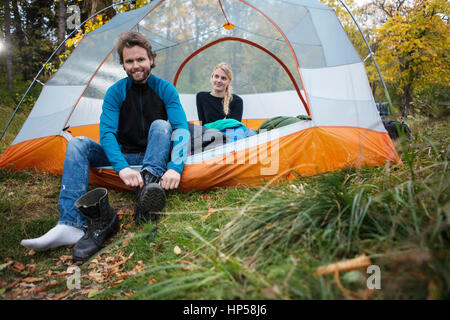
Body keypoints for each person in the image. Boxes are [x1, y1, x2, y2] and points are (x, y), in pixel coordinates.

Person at [20, 31, 189, 261]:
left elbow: (180, 128)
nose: (136, 65)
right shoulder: (115, 92)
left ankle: (145, 197)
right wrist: (122, 167)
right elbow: (107, 134)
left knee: (161, 125)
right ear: (123, 64)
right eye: (129, 61)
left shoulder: (165, 89)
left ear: (151, 59)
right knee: (78, 143)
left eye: (140, 59)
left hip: (154, 157)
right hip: (126, 158)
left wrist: (175, 167)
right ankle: (70, 223)